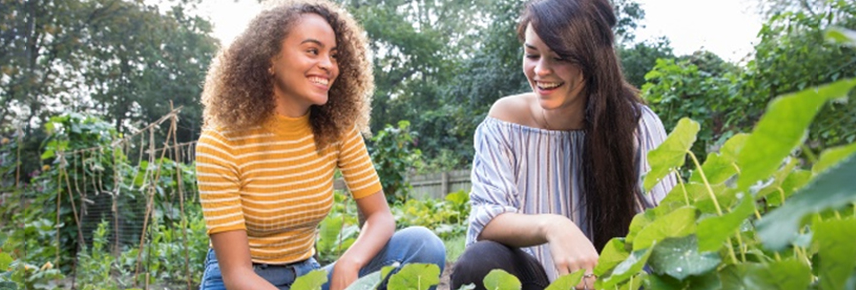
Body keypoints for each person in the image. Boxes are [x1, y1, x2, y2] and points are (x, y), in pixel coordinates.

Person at [194, 1, 445, 289]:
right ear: (270, 60)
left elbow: (380, 217)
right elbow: (237, 275)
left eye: (334, 55)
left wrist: (351, 262)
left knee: (422, 245)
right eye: (313, 51)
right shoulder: (221, 142)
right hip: (242, 282)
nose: (328, 65)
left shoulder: (337, 130)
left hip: (307, 277)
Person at [449, 0, 676, 289]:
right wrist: (554, 226)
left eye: (559, 58)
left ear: (593, 58)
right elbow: (486, 220)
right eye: (532, 54)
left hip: (613, 284)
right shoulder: (505, 121)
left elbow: (666, 225)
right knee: (480, 261)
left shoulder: (636, 124)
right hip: (536, 283)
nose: (541, 71)